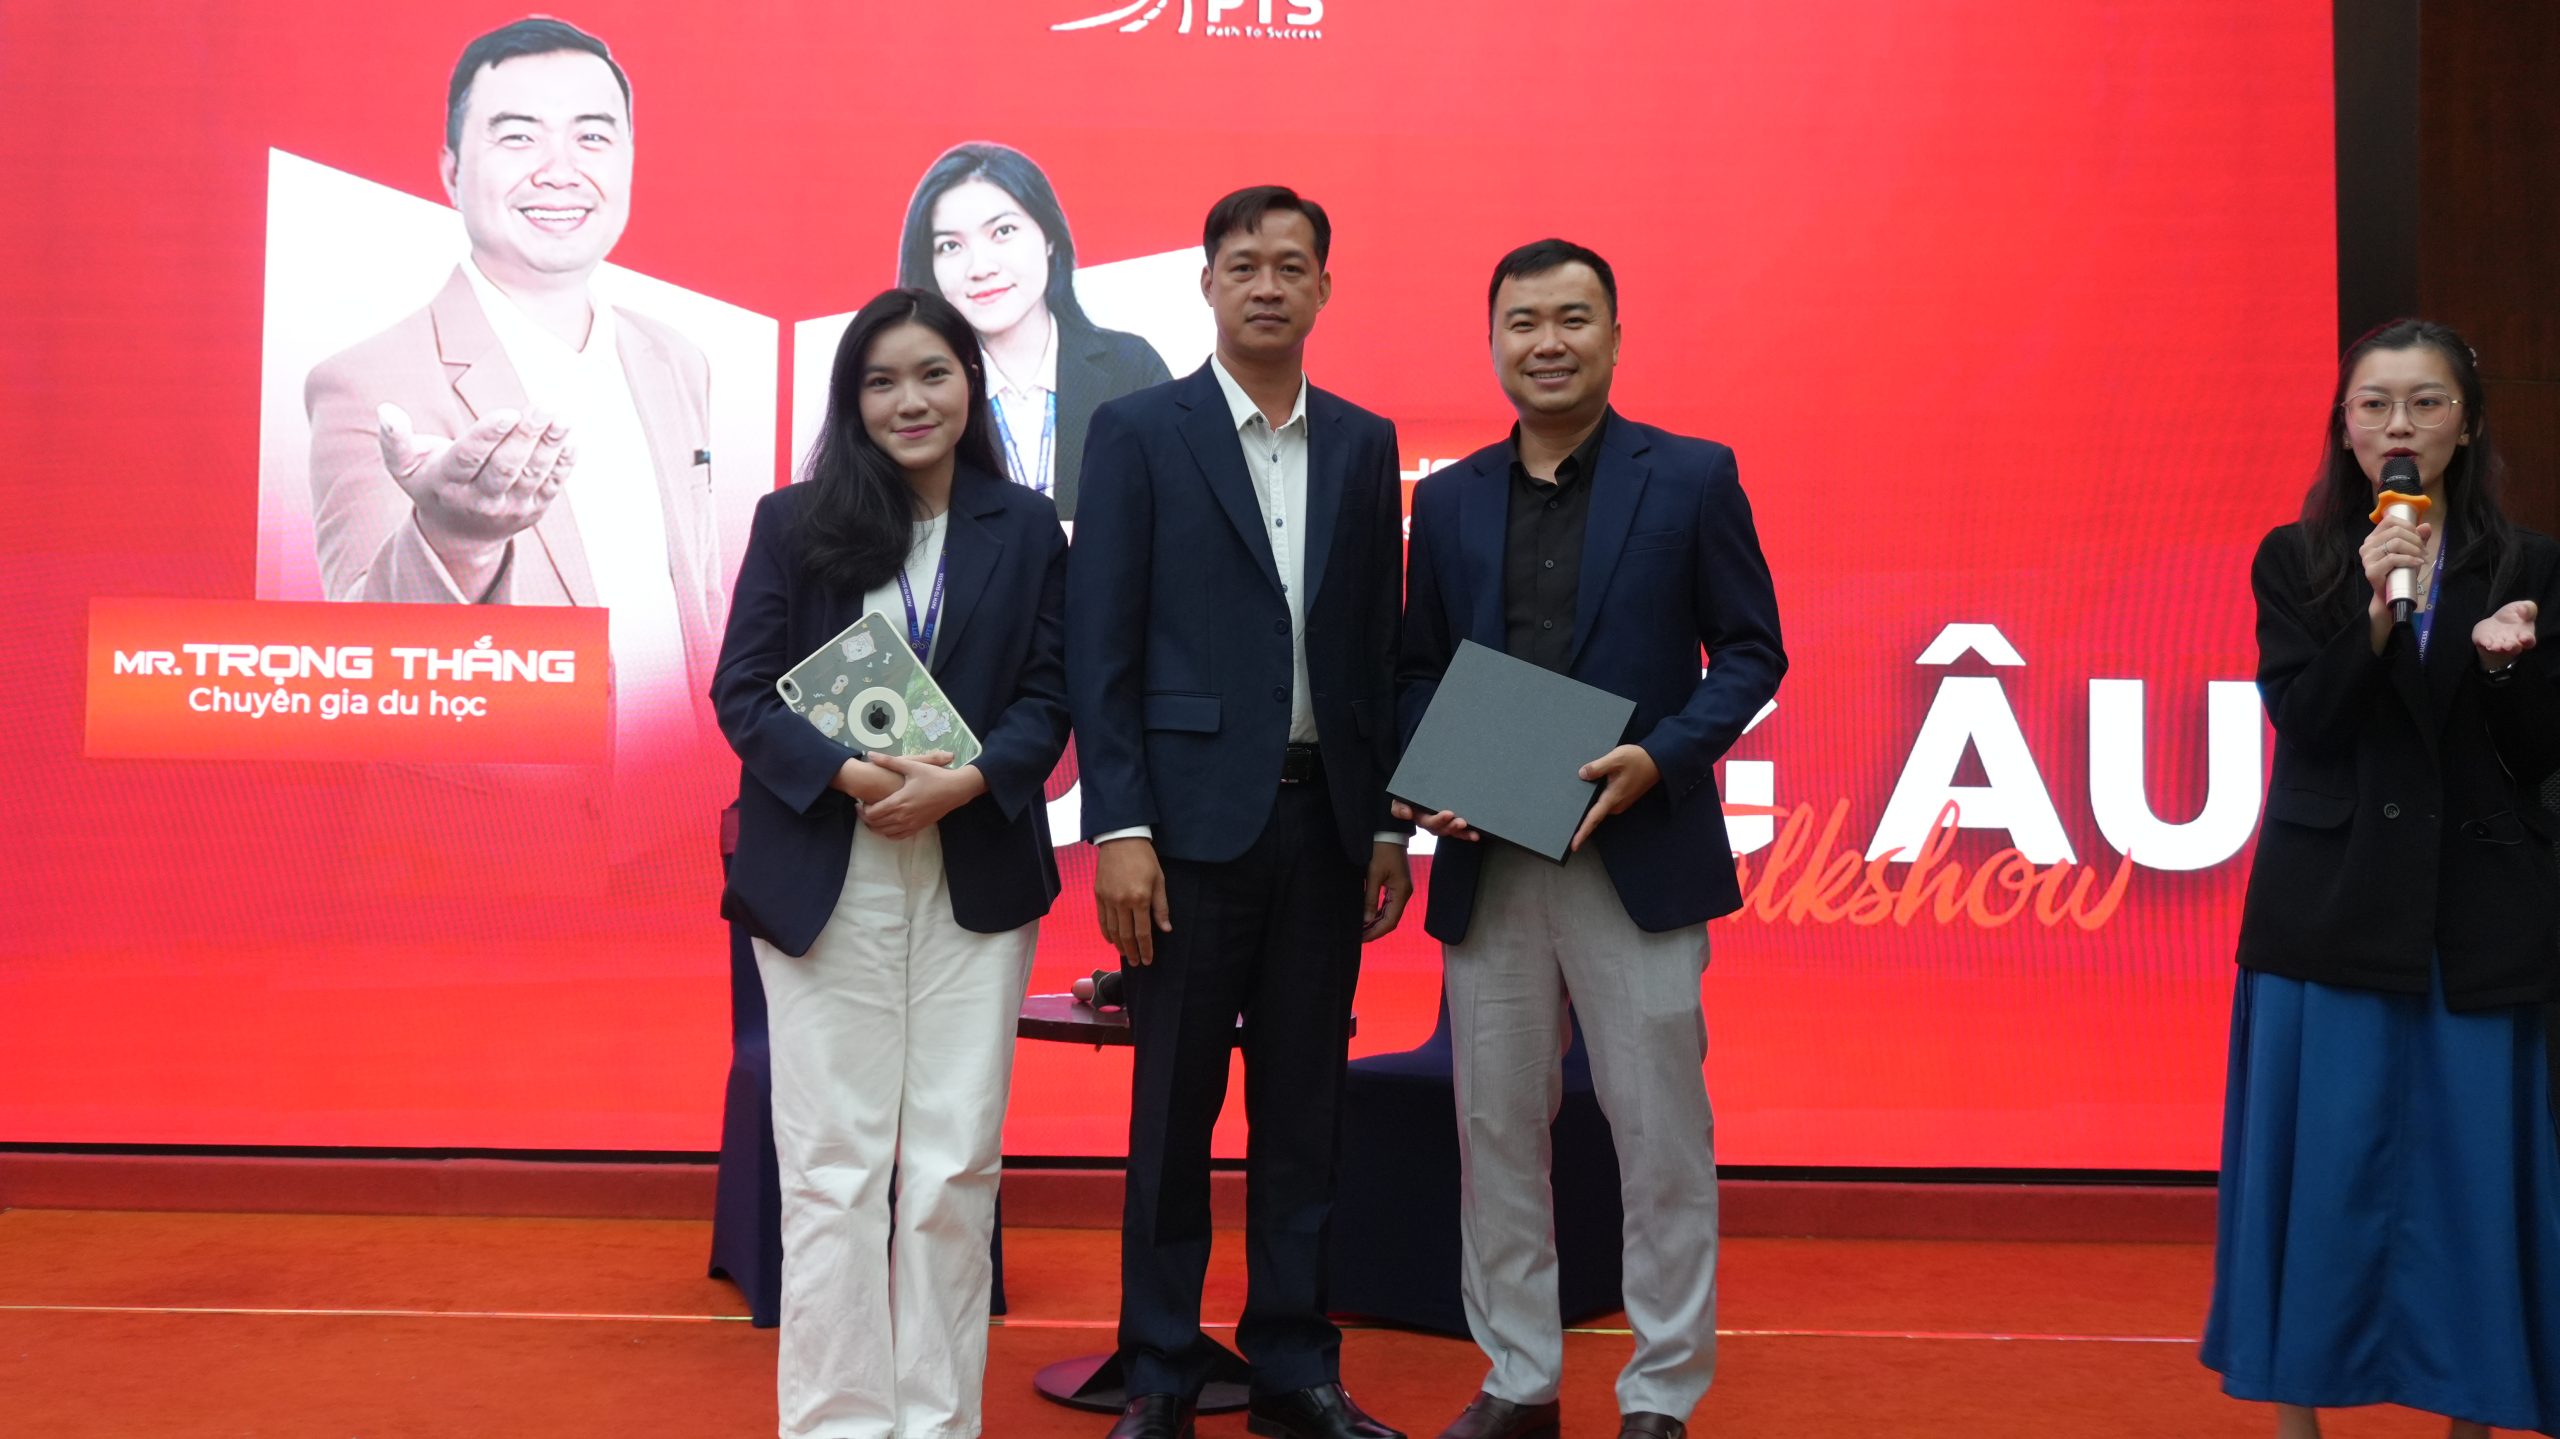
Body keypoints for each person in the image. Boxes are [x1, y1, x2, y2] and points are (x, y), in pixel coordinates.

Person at [1395, 240, 1785, 1439]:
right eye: (1523, 322)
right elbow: (1415, 668)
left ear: (1614, 335)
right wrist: (1431, 777)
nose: (1548, 342)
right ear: (1493, 340)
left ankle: (1661, 1389)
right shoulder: (1448, 499)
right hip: (1494, 855)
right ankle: (1518, 1377)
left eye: (1572, 318)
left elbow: (1752, 650)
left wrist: (1661, 754)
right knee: (1494, 1128)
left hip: (1637, 850)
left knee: (1659, 1133)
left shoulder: (1692, 476)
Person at [1066, 185, 1413, 1439]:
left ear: (1324, 287)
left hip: (1324, 826)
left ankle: (1294, 1369)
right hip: (1182, 835)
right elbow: (1101, 641)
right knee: (1172, 1113)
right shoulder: (1136, 431)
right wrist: (1119, 828)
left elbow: (1374, 646)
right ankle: (1160, 1368)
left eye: (1292, 265)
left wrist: (1387, 825)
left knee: (1303, 1113)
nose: (1268, 284)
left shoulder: (1365, 443)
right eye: (1244, 264)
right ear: (1206, 283)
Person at [711, 288, 1070, 1439]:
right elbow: (742, 691)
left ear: (971, 384)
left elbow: (1050, 696)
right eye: (881, 380)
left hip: (975, 873)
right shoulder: (794, 520)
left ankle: (938, 1421)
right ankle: (836, 1424)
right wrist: (855, 777)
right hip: (830, 875)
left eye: (932, 374)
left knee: (956, 1166)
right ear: (851, 398)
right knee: (833, 1168)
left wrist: (966, 780)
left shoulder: (1028, 527)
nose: (909, 400)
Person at [2202, 318, 2560, 1439]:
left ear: (2468, 423)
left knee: (2472, 1178)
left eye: (2425, 402)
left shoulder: (2529, 565)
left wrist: (2505, 669)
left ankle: (2471, 1416)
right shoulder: (2297, 557)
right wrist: (2369, 610)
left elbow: (2539, 752)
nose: (2399, 425)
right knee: (2320, 1172)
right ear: (2345, 426)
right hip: (2332, 905)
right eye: (2374, 404)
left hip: (2475, 910)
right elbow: (2304, 722)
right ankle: (2297, 1419)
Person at [304, 16, 724, 761]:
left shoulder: (676, 359)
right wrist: (452, 536)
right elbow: (367, 672)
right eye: (519, 136)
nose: (560, 170)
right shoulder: (365, 382)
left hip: (686, 811)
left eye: (592, 136)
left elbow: (698, 596)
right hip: (501, 824)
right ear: (451, 171)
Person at [899, 142, 1173, 520]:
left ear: (1049, 237)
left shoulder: (1131, 367)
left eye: (1003, 231)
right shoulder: (917, 396)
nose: (980, 267)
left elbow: (1181, 506)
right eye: (950, 245)